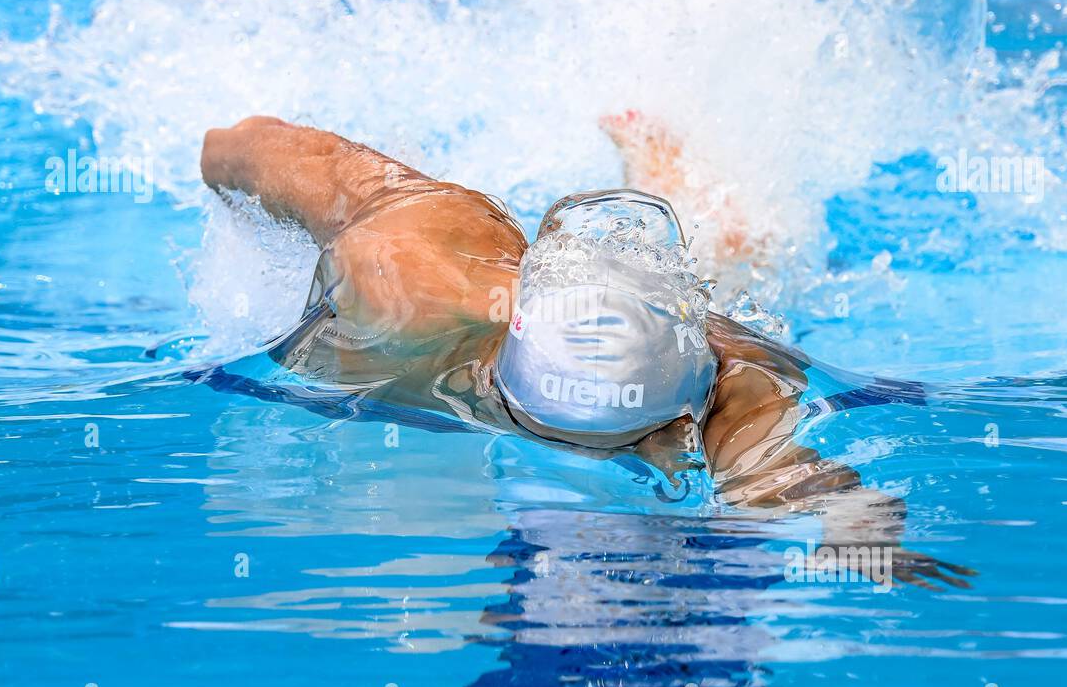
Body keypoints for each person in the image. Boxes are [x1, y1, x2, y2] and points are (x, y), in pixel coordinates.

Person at [200, 114, 973, 589]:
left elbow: (806, 484)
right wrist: (221, 172)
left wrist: (862, 538)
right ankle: (681, 188)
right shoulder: (409, 272)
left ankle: (671, 179)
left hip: (681, 318)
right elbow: (250, 148)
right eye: (632, 438)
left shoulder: (730, 385)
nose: (663, 448)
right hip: (463, 258)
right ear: (505, 385)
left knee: (743, 276)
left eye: (651, 433)